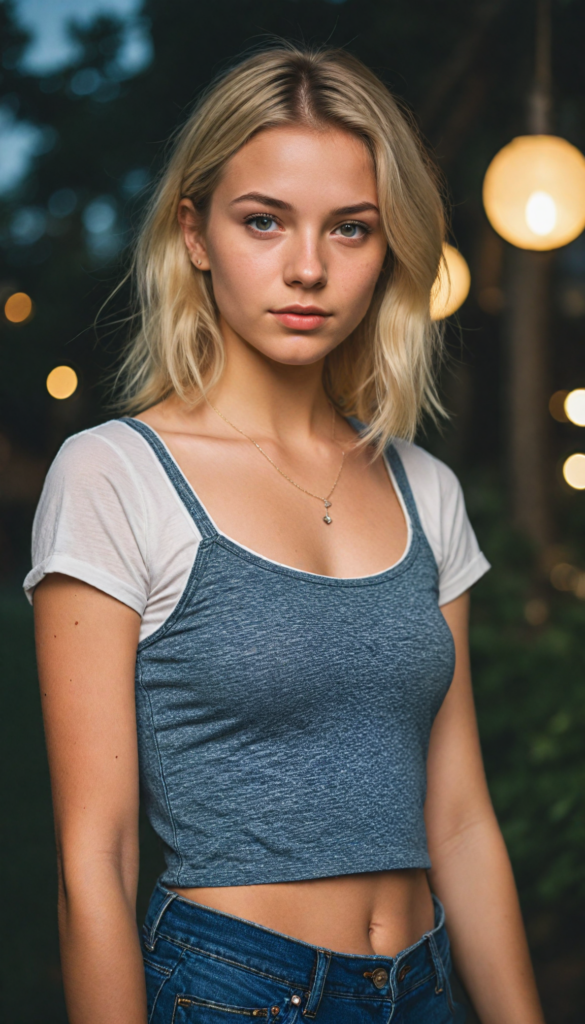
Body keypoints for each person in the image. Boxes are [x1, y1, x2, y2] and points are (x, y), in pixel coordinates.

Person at [26, 44, 545, 1024]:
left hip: (426, 985)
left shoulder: (425, 488)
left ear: (387, 245)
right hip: (238, 993)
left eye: (350, 229)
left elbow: (464, 818)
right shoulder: (114, 474)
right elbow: (94, 858)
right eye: (264, 221)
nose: (307, 268)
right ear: (196, 232)